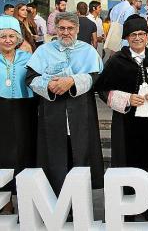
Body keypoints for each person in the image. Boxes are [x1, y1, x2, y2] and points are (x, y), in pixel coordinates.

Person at [95, 15, 148, 221]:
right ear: (127, 38)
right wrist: (126, 99)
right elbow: (102, 89)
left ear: (147, 36)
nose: (137, 38)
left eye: (141, 34)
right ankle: (126, 205)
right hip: (125, 123)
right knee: (124, 162)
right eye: (133, 35)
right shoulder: (117, 61)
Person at [26, 12, 104, 196]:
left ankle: (80, 203)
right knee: (55, 157)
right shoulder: (44, 50)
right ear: (55, 29)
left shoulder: (88, 51)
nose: (66, 32)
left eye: (70, 28)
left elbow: (97, 77)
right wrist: (50, 85)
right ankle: (57, 204)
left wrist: (72, 81)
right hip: (53, 113)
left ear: (77, 29)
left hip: (81, 113)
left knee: (80, 155)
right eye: (62, 28)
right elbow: (30, 77)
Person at [0, 15, 37, 214]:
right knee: (2, 157)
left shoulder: (28, 58)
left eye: (11, 36)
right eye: (3, 36)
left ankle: (25, 201)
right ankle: (5, 203)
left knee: (25, 153)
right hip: (1, 113)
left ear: (18, 38)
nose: (7, 40)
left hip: (25, 111)